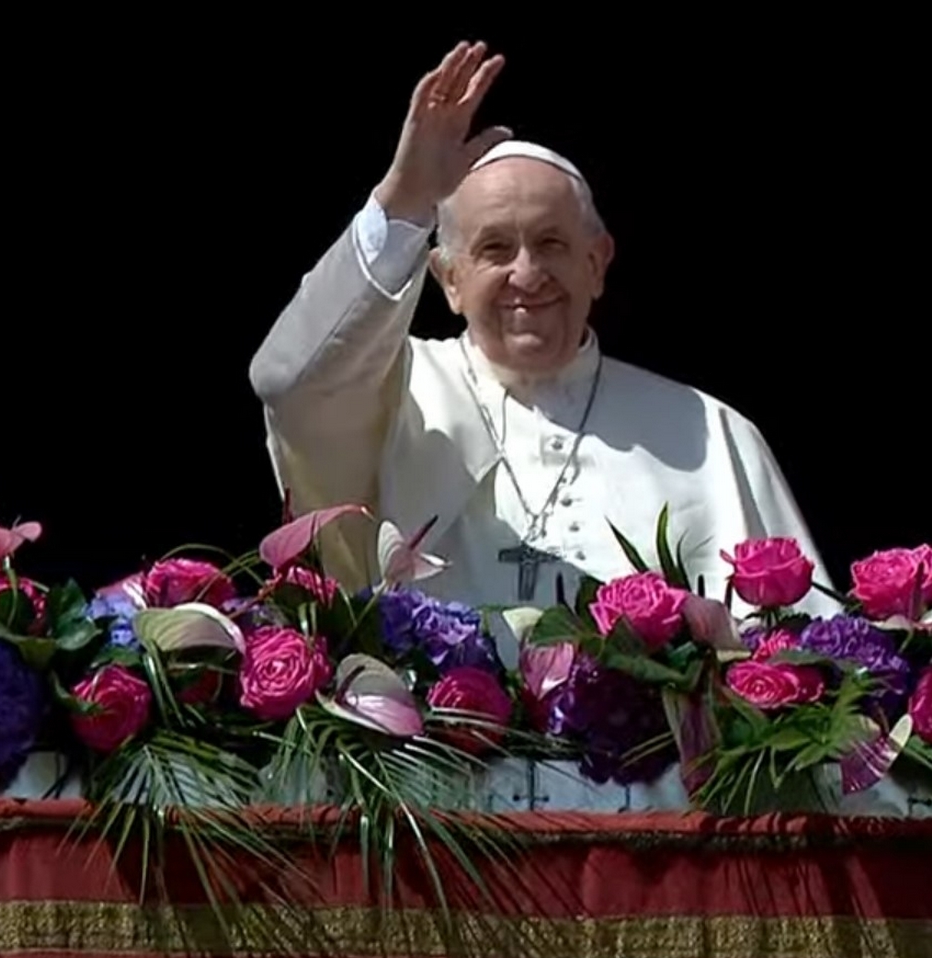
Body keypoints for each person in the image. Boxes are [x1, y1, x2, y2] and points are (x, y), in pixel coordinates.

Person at [248, 42, 834, 616]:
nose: (526, 275)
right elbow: (290, 382)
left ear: (597, 264)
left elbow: (800, 661)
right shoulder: (391, 393)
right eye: (495, 248)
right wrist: (407, 198)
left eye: (551, 243)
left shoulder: (711, 433)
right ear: (448, 279)